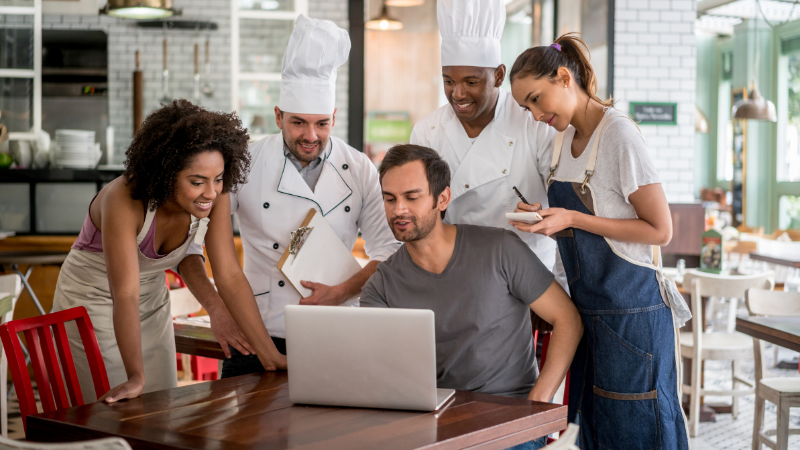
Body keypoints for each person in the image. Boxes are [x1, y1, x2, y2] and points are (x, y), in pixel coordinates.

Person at [180, 14, 400, 379]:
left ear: (334, 116)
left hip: (337, 330)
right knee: (250, 435)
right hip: (259, 331)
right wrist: (217, 309)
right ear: (278, 115)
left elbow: (390, 250)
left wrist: (342, 290)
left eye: (322, 123)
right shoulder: (242, 164)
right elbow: (192, 245)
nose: (310, 136)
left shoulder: (359, 167)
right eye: (298, 122)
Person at [508, 34, 691, 449]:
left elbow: (659, 230)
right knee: (593, 431)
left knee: (638, 430)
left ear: (564, 77)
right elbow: (582, 226)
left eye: (537, 99)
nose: (535, 115)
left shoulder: (620, 136)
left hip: (633, 314)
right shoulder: (561, 143)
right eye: (526, 108)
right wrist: (550, 218)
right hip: (587, 314)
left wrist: (573, 216)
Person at [53, 100, 287, 404]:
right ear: (165, 173)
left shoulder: (214, 195)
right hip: (91, 300)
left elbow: (227, 274)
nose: (211, 192)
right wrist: (135, 376)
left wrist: (272, 357)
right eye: (196, 182)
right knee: (112, 410)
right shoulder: (123, 200)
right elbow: (124, 295)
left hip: (150, 301)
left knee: (160, 404)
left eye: (218, 179)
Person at [361, 145, 583, 450]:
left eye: (411, 197)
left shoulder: (500, 249)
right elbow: (379, 374)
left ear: (442, 199)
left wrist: (538, 403)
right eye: (390, 199)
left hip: (510, 423)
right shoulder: (380, 286)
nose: (399, 209)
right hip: (432, 427)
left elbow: (568, 318)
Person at [410, 0, 565, 289]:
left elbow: (565, 219)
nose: (458, 93)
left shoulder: (534, 123)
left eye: (471, 81)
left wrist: (560, 290)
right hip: (452, 278)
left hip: (526, 283)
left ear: (498, 75)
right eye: (448, 81)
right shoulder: (427, 132)